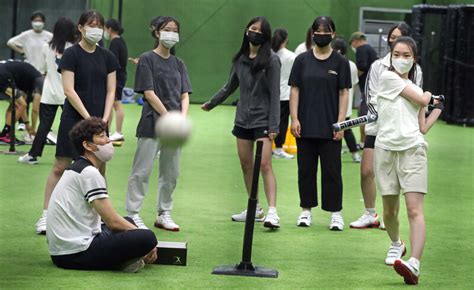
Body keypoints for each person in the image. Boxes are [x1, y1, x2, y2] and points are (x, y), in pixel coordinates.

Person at [35, 10, 118, 235]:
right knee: (61, 166)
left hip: (100, 122)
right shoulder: (71, 54)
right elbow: (68, 90)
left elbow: (111, 90)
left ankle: (100, 219)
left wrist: (103, 119)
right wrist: (88, 118)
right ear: (80, 28)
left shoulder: (108, 56)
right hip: (74, 119)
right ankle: (45, 216)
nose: (96, 30)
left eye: (99, 26)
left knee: (99, 169)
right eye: (91, 25)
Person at [46, 117, 157, 272]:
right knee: (148, 237)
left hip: (64, 250)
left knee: (129, 221)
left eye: (107, 135)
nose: (108, 141)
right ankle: (122, 261)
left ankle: (124, 260)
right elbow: (112, 221)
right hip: (73, 254)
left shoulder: (80, 167)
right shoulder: (89, 172)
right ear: (87, 145)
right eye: (102, 136)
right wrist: (149, 243)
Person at [374, 36, 442, 285]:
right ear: (390, 56)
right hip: (386, 151)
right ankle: (396, 243)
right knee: (389, 211)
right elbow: (424, 99)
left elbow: (422, 126)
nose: (401, 59)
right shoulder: (388, 78)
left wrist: (438, 108)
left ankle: (414, 263)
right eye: (397, 54)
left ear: (414, 59)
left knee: (414, 209)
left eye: (407, 55)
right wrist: (429, 98)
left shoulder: (413, 85)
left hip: (413, 150)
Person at [202, 16, 281, 229]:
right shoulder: (240, 59)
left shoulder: (272, 60)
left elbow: (275, 94)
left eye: (259, 30)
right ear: (246, 31)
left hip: (263, 120)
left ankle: (273, 212)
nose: (254, 32)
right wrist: (211, 103)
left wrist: (274, 125)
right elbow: (229, 86)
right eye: (252, 28)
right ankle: (254, 208)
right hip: (242, 120)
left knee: (264, 164)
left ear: (265, 36)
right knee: (246, 164)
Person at [350, 23, 423, 229]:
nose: (393, 41)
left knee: (397, 179)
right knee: (366, 171)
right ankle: (370, 213)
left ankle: (389, 216)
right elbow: (371, 96)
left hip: (403, 132)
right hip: (377, 129)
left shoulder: (416, 70)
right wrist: (380, 113)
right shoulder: (377, 66)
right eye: (391, 38)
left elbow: (417, 98)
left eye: (398, 37)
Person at [125, 16, 191, 232]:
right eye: (167, 29)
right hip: (151, 123)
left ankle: (164, 213)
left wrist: (181, 118)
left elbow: (184, 95)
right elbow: (149, 94)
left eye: (175, 30)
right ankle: (133, 214)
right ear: (156, 33)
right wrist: (169, 117)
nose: (171, 33)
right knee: (141, 172)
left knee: (171, 173)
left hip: (174, 129)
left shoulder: (179, 63)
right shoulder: (147, 59)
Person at [289, 16, 350, 231]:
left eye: (326, 31)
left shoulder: (341, 62)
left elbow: (344, 92)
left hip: (331, 128)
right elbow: (294, 89)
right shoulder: (302, 60)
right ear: (312, 33)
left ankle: (336, 213)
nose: (322, 34)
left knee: (332, 171)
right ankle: (306, 211)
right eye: (318, 31)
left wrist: (340, 123)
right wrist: (294, 118)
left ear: (333, 34)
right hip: (305, 126)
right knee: (305, 170)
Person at [18, 17, 76, 164]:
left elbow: (42, 69)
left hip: (49, 94)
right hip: (68, 94)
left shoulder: (46, 47)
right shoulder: (75, 49)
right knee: (74, 126)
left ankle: (33, 155)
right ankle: (77, 156)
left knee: (44, 126)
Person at [7, 11, 53, 136]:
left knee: (40, 100)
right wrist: (22, 51)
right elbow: (10, 42)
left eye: (40, 20)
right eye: (35, 20)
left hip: (42, 72)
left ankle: (40, 126)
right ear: (32, 21)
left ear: (43, 22)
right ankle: (23, 123)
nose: (37, 23)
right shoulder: (26, 35)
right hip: (27, 70)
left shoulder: (49, 36)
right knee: (23, 98)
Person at [331, 37, 361, 163]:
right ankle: (354, 154)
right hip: (346, 104)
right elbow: (354, 84)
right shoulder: (352, 65)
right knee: (346, 130)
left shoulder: (335, 63)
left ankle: (354, 153)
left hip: (337, 105)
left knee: (343, 129)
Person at [0, 61, 42, 144]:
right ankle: (5, 135)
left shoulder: (27, 82)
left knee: (16, 104)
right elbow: (35, 110)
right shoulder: (40, 83)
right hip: (3, 75)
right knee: (21, 104)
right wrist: (33, 129)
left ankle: (7, 133)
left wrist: (27, 124)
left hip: (4, 74)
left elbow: (23, 108)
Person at [349, 31, 378, 146]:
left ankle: (363, 143)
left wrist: (353, 80)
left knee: (363, 116)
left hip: (367, 89)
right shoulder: (371, 50)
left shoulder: (361, 49)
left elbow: (361, 66)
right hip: (373, 87)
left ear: (355, 41)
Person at [271, 28, 296, 159]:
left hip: (271, 94)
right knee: (282, 122)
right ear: (286, 39)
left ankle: (269, 147)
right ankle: (279, 148)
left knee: (269, 121)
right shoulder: (292, 56)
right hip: (285, 94)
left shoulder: (269, 55)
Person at [104, 19, 128, 142]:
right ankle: (107, 130)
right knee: (112, 103)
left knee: (116, 104)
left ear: (109, 29)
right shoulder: (121, 41)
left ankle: (118, 132)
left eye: (104, 28)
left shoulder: (115, 42)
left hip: (117, 77)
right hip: (120, 75)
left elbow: (113, 61)